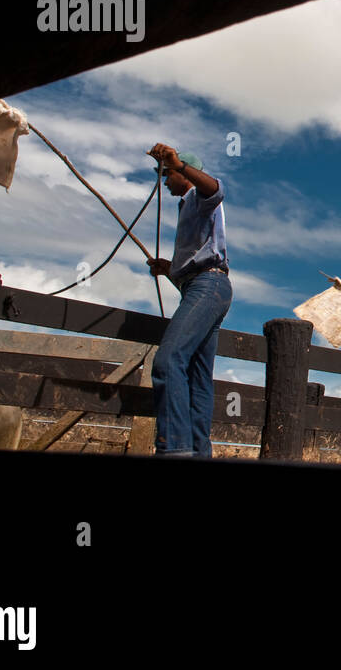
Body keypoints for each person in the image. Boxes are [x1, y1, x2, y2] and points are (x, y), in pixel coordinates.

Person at [144, 144, 231, 457]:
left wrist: (177, 164)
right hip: (207, 286)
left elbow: (217, 189)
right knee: (197, 376)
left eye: (166, 175)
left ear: (182, 174)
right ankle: (197, 450)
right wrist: (171, 269)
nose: (164, 181)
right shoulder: (188, 207)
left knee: (168, 362)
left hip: (207, 285)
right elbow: (197, 260)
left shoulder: (199, 197)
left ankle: (175, 449)